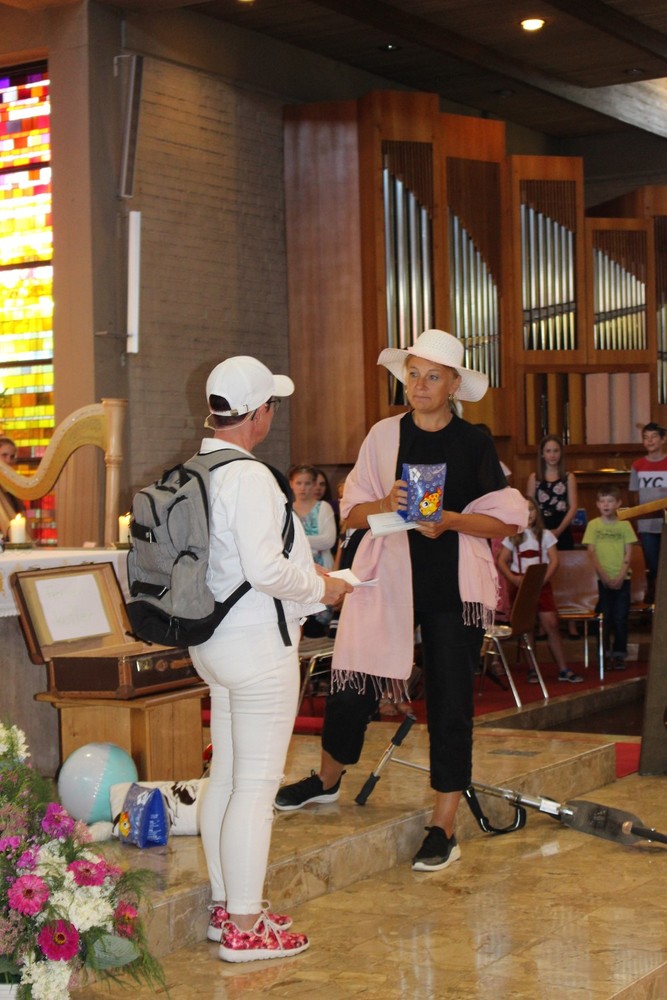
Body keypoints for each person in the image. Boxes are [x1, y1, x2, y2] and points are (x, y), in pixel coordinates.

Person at [275, 329, 527, 873]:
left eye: (432, 376)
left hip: (452, 588)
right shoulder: (383, 436)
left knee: (451, 701)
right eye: (413, 374)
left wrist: (451, 520)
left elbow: (506, 521)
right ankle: (327, 779)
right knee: (353, 680)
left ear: (454, 385)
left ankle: (444, 824)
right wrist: (385, 502)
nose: (419, 385)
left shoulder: (474, 443)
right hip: (385, 579)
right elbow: (351, 515)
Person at [187, 356, 352, 963]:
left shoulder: (196, 468)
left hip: (212, 641)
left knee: (228, 779)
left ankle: (227, 908)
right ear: (258, 413)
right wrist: (323, 587)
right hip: (257, 644)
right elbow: (265, 569)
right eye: (271, 406)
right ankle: (245, 926)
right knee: (255, 789)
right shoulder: (251, 476)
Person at [497, 497, 583, 684]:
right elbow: (502, 561)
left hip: (541, 585)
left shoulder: (545, 535)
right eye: (524, 510)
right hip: (521, 585)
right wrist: (513, 578)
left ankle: (563, 668)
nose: (528, 514)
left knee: (551, 624)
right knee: (526, 627)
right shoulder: (512, 536)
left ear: (537, 512)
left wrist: (543, 579)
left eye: (531, 509)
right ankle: (533, 668)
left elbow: (554, 560)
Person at [583, 485, 638, 670]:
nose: (606, 505)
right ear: (597, 504)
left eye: (610, 501)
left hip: (623, 579)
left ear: (618, 504)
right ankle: (604, 654)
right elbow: (591, 553)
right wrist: (604, 576)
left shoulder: (625, 525)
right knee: (605, 618)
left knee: (620, 618)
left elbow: (629, 553)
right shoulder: (593, 525)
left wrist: (621, 575)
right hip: (600, 580)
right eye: (602, 501)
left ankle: (620, 654)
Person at [629, 422, 667, 602]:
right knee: (654, 566)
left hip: (665, 523)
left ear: (663, 439)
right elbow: (634, 496)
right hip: (647, 525)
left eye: (654, 437)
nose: (649, 441)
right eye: (646, 437)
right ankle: (659, 604)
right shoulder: (638, 465)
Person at [527, 435, 577, 550]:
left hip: (562, 526)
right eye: (548, 451)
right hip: (540, 526)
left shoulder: (568, 477)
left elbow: (573, 507)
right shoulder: (534, 478)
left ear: (561, 453)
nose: (552, 455)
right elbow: (529, 507)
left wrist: (559, 530)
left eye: (556, 451)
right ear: (542, 454)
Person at [288, 463, 337, 569]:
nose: (302, 488)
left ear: (314, 484)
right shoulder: (286, 509)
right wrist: (314, 542)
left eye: (307, 483)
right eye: (298, 483)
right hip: (295, 566)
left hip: (323, 565)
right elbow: (282, 540)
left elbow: (328, 540)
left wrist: (296, 540)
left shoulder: (323, 507)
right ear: (291, 484)